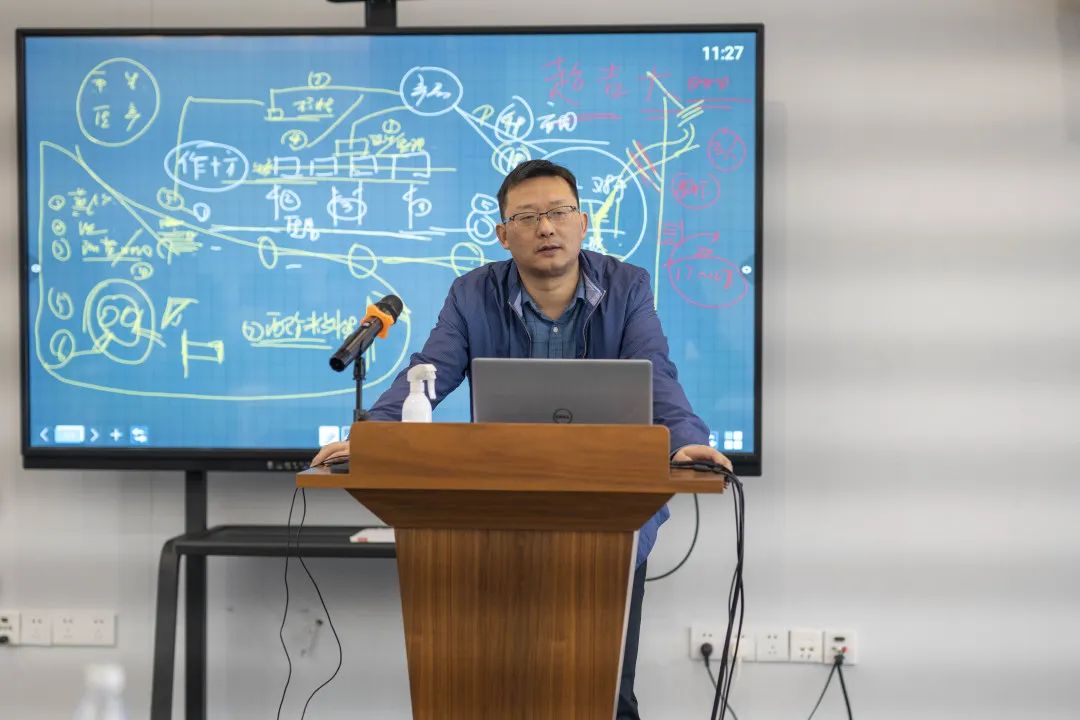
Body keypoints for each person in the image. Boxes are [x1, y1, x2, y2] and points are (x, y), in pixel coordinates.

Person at [312, 159, 730, 718]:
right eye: (528, 217)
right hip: (497, 515)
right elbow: (429, 372)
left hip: (610, 507)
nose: (546, 227)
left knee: (607, 696)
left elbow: (655, 373)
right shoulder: (472, 293)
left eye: (559, 212)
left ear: (583, 223)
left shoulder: (628, 286)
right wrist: (374, 437)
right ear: (503, 234)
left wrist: (684, 443)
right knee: (490, 695)